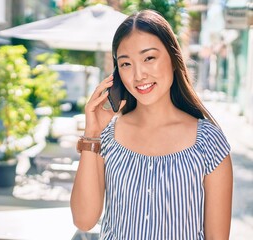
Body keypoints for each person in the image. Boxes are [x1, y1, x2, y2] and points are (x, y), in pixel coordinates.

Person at [70, 9, 233, 240]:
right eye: (126, 64)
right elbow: (84, 221)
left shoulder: (208, 141)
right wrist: (92, 134)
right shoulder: (106, 136)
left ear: (174, 59)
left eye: (149, 58)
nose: (138, 75)